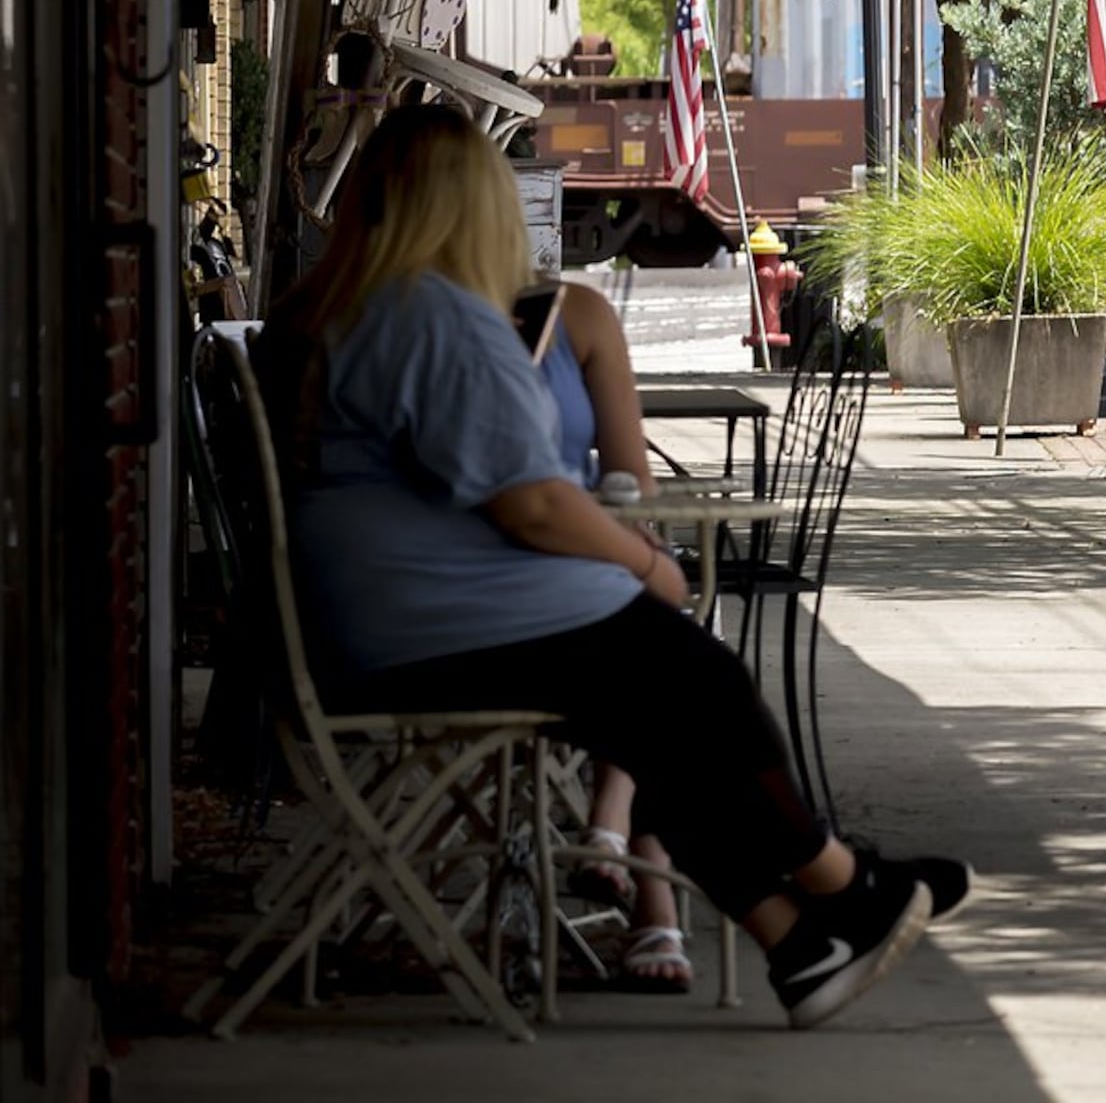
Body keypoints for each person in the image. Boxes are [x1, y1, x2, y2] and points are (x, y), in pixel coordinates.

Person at [274, 104, 971, 1028]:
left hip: (375, 620)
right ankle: (842, 881)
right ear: (472, 207)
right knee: (704, 680)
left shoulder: (339, 308)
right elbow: (531, 501)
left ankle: (800, 946)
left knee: (663, 724)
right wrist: (648, 562)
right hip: (430, 630)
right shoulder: (433, 314)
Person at [525, 280, 692, 991]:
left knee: (638, 629)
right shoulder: (541, 317)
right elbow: (630, 484)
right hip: (498, 604)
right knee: (656, 638)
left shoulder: (363, 316)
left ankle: (613, 834)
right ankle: (642, 882)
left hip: (372, 626)